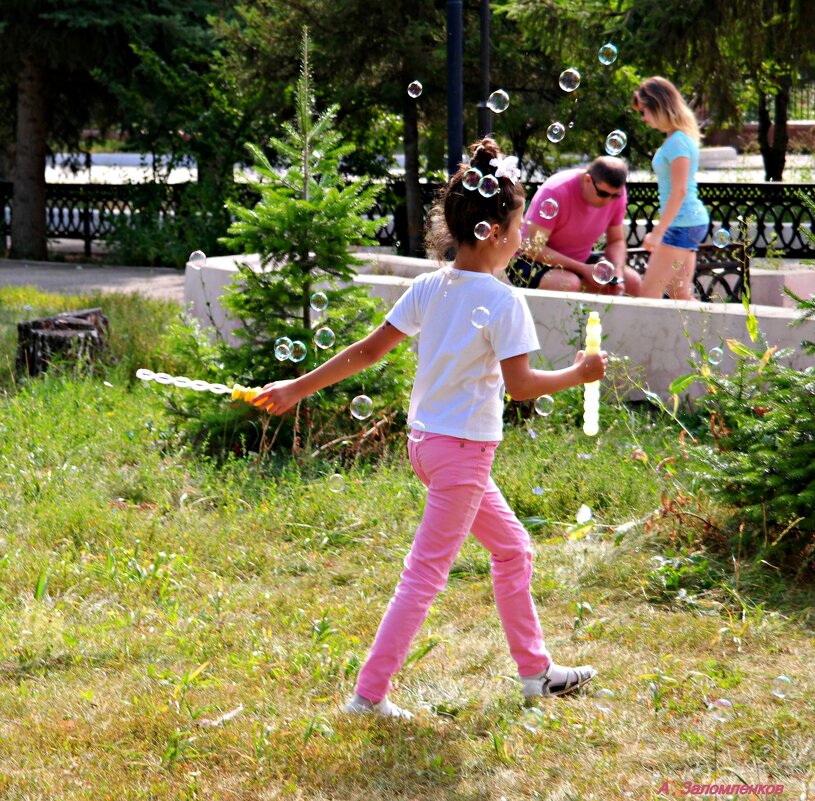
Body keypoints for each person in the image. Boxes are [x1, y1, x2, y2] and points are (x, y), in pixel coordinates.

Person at [250, 138, 608, 720]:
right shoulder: (503, 300)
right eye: (518, 227)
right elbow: (520, 387)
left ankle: (536, 673)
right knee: (424, 577)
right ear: (493, 230)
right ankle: (368, 696)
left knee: (514, 550)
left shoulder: (430, 286)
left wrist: (296, 388)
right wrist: (579, 372)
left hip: (429, 448)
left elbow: (366, 352)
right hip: (463, 454)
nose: (524, 238)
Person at [507, 156, 642, 297]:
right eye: (603, 194)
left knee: (632, 282)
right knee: (568, 284)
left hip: (578, 260)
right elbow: (532, 247)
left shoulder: (615, 192)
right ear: (588, 179)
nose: (608, 201)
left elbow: (616, 241)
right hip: (530, 262)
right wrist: (583, 269)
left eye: (615, 196)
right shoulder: (555, 191)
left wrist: (618, 276)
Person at [632, 76, 710, 299]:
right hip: (688, 222)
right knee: (680, 295)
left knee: (648, 295)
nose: (643, 118)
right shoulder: (679, 139)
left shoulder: (677, 141)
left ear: (658, 105)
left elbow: (680, 191)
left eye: (644, 111)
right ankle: (713, 335)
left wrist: (657, 233)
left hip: (681, 224)